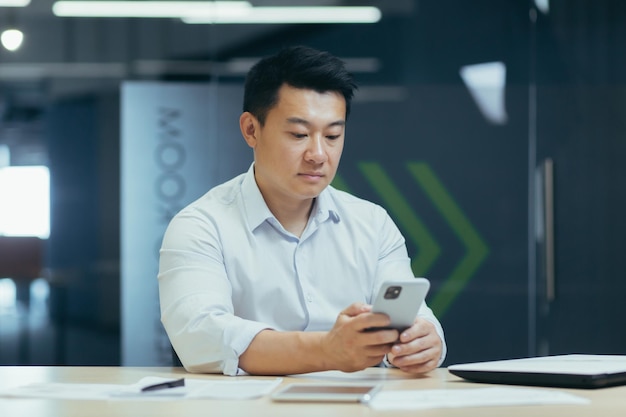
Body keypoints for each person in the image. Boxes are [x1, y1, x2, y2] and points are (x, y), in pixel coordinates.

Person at [158, 45, 446, 376]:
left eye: (333, 135)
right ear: (251, 130)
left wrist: (424, 341)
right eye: (299, 134)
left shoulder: (372, 223)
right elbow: (199, 336)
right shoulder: (201, 225)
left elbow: (415, 316)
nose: (318, 154)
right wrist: (326, 351)